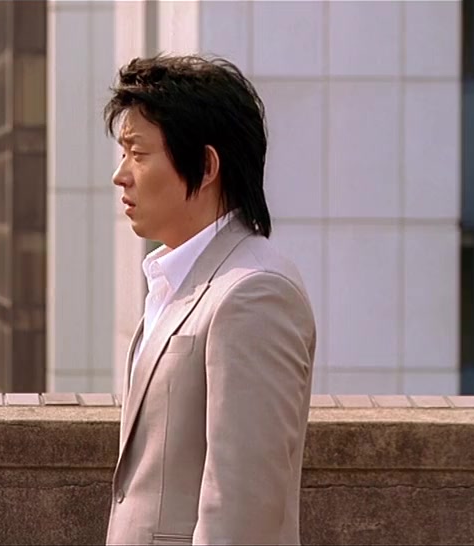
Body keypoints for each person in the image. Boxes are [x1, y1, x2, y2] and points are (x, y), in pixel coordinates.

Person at [102, 54, 317, 545]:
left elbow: (242, 515)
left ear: (206, 165)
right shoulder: (174, 280)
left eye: (138, 153)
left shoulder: (254, 293)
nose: (121, 174)